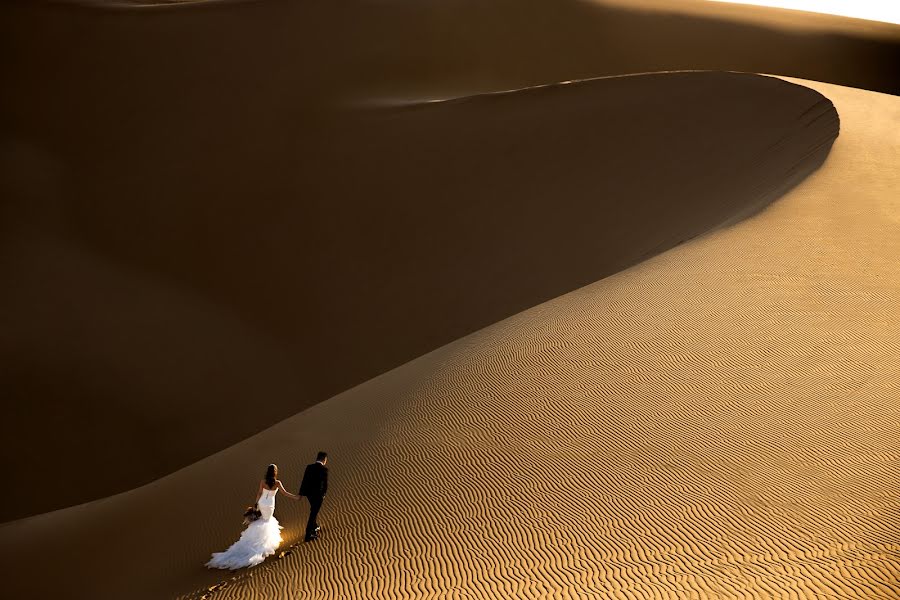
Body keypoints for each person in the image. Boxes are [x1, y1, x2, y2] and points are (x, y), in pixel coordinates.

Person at [206, 464, 299, 570]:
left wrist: (256, 504)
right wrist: (295, 497)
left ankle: (256, 539)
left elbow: (259, 493)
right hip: (270, 504)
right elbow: (285, 493)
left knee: (263, 520)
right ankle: (263, 542)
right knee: (267, 520)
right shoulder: (277, 483)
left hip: (262, 503)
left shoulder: (263, 481)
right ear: (275, 472)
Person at [299, 451, 329, 542]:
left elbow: (304, 480)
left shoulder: (309, 467)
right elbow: (325, 484)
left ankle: (314, 526)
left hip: (309, 494)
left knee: (313, 509)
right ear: (324, 460)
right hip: (318, 495)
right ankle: (308, 534)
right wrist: (323, 494)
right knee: (313, 513)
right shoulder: (324, 470)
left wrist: (301, 493)